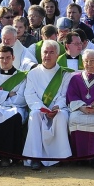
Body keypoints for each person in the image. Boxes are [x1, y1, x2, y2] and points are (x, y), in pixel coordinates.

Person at [22, 40, 72, 169]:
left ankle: (61, 156)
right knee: (34, 115)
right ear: (41, 54)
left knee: (61, 116)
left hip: (58, 109)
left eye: (51, 52)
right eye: (45, 52)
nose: (47, 55)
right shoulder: (33, 73)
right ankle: (35, 157)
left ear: (57, 55)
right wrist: (42, 108)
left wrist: (57, 107)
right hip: (40, 109)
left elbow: (65, 95)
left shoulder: (65, 74)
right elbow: (30, 94)